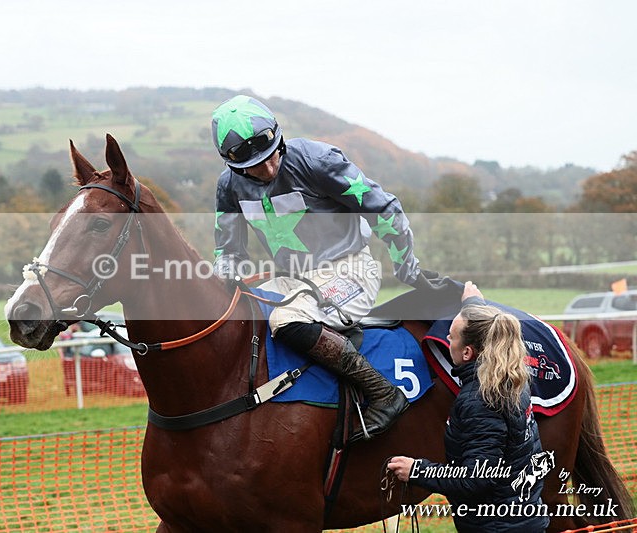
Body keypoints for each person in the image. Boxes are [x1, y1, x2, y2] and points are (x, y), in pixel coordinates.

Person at [210, 94, 438, 438]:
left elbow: (384, 207)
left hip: (349, 270)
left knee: (287, 319)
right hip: (291, 279)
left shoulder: (316, 159)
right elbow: (228, 251)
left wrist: (406, 265)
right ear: (232, 165)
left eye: (272, 155)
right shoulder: (228, 187)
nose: (269, 169)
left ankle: (383, 393)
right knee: (235, 315)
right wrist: (224, 281)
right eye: (255, 167)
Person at [387, 281, 549, 532]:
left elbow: (477, 478)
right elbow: (486, 328)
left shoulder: (479, 400)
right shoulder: (512, 378)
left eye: (451, 336)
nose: (448, 338)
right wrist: (472, 304)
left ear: (467, 353)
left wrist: (417, 471)